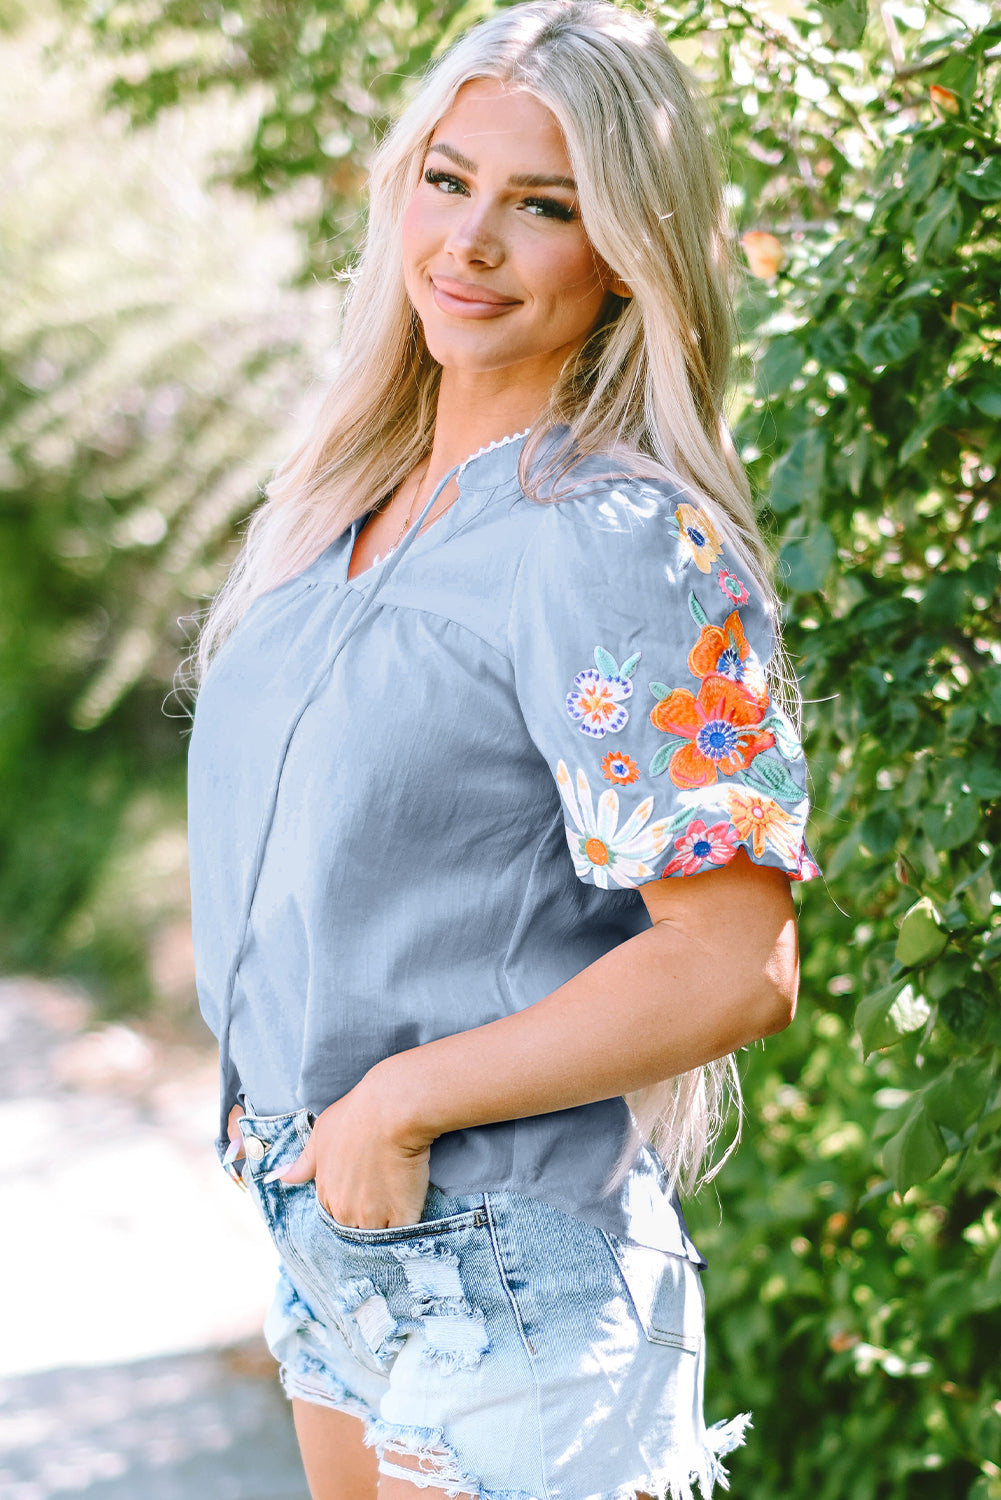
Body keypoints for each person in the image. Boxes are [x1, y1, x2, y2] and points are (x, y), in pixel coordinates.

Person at [186, 3, 819, 1497]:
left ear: (625, 253)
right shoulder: (338, 509)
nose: (468, 242)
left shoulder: (617, 540)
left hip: (508, 1268)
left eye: (542, 207)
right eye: (447, 179)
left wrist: (398, 1103)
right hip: (333, 1242)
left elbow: (733, 963)